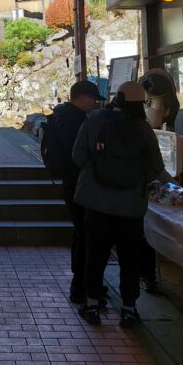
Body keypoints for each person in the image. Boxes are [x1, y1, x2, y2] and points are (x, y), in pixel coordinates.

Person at [72, 81, 164, 328]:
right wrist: (137, 180)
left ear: (117, 98)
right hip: (130, 207)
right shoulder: (143, 129)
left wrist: (95, 173)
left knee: (95, 254)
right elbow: (156, 167)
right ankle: (129, 308)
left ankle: (92, 305)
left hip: (97, 202)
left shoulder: (95, 120)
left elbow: (78, 155)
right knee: (129, 257)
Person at [50, 80, 106, 303]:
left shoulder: (61, 115)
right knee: (87, 236)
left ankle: (83, 283)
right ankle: (82, 287)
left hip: (70, 183)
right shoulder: (76, 121)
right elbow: (79, 156)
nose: (95, 105)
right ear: (82, 98)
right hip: (79, 185)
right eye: (93, 100)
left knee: (81, 234)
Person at [138, 68, 180, 294]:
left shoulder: (160, 132)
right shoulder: (138, 131)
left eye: (166, 108)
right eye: (157, 107)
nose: (162, 114)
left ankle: (146, 275)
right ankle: (145, 275)